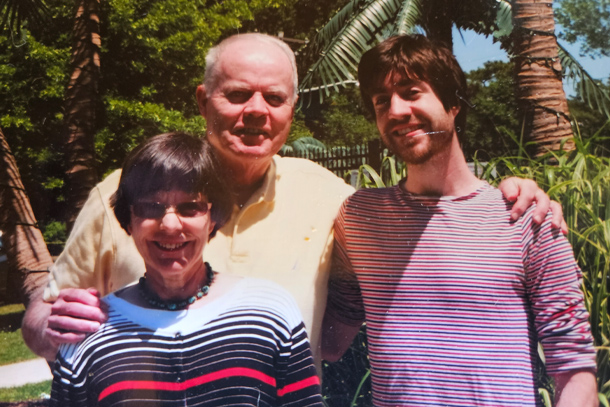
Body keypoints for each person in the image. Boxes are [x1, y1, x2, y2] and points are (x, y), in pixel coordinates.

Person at [22, 33, 561, 366]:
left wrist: (515, 194)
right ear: (203, 100)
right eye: (237, 94)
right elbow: (39, 319)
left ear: (292, 109)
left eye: (274, 98)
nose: (256, 110)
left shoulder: (331, 197)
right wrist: (48, 328)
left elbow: (427, 213)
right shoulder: (121, 193)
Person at [322, 34, 597, 407]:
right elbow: (331, 341)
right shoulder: (360, 217)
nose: (396, 111)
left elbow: (574, 364)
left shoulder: (525, 216)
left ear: (453, 104)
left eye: (411, 92)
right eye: (381, 101)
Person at [50, 132, 324, 407]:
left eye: (190, 207)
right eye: (150, 207)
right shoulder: (90, 335)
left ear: (213, 219)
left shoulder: (270, 313)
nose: (170, 225)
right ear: (128, 220)